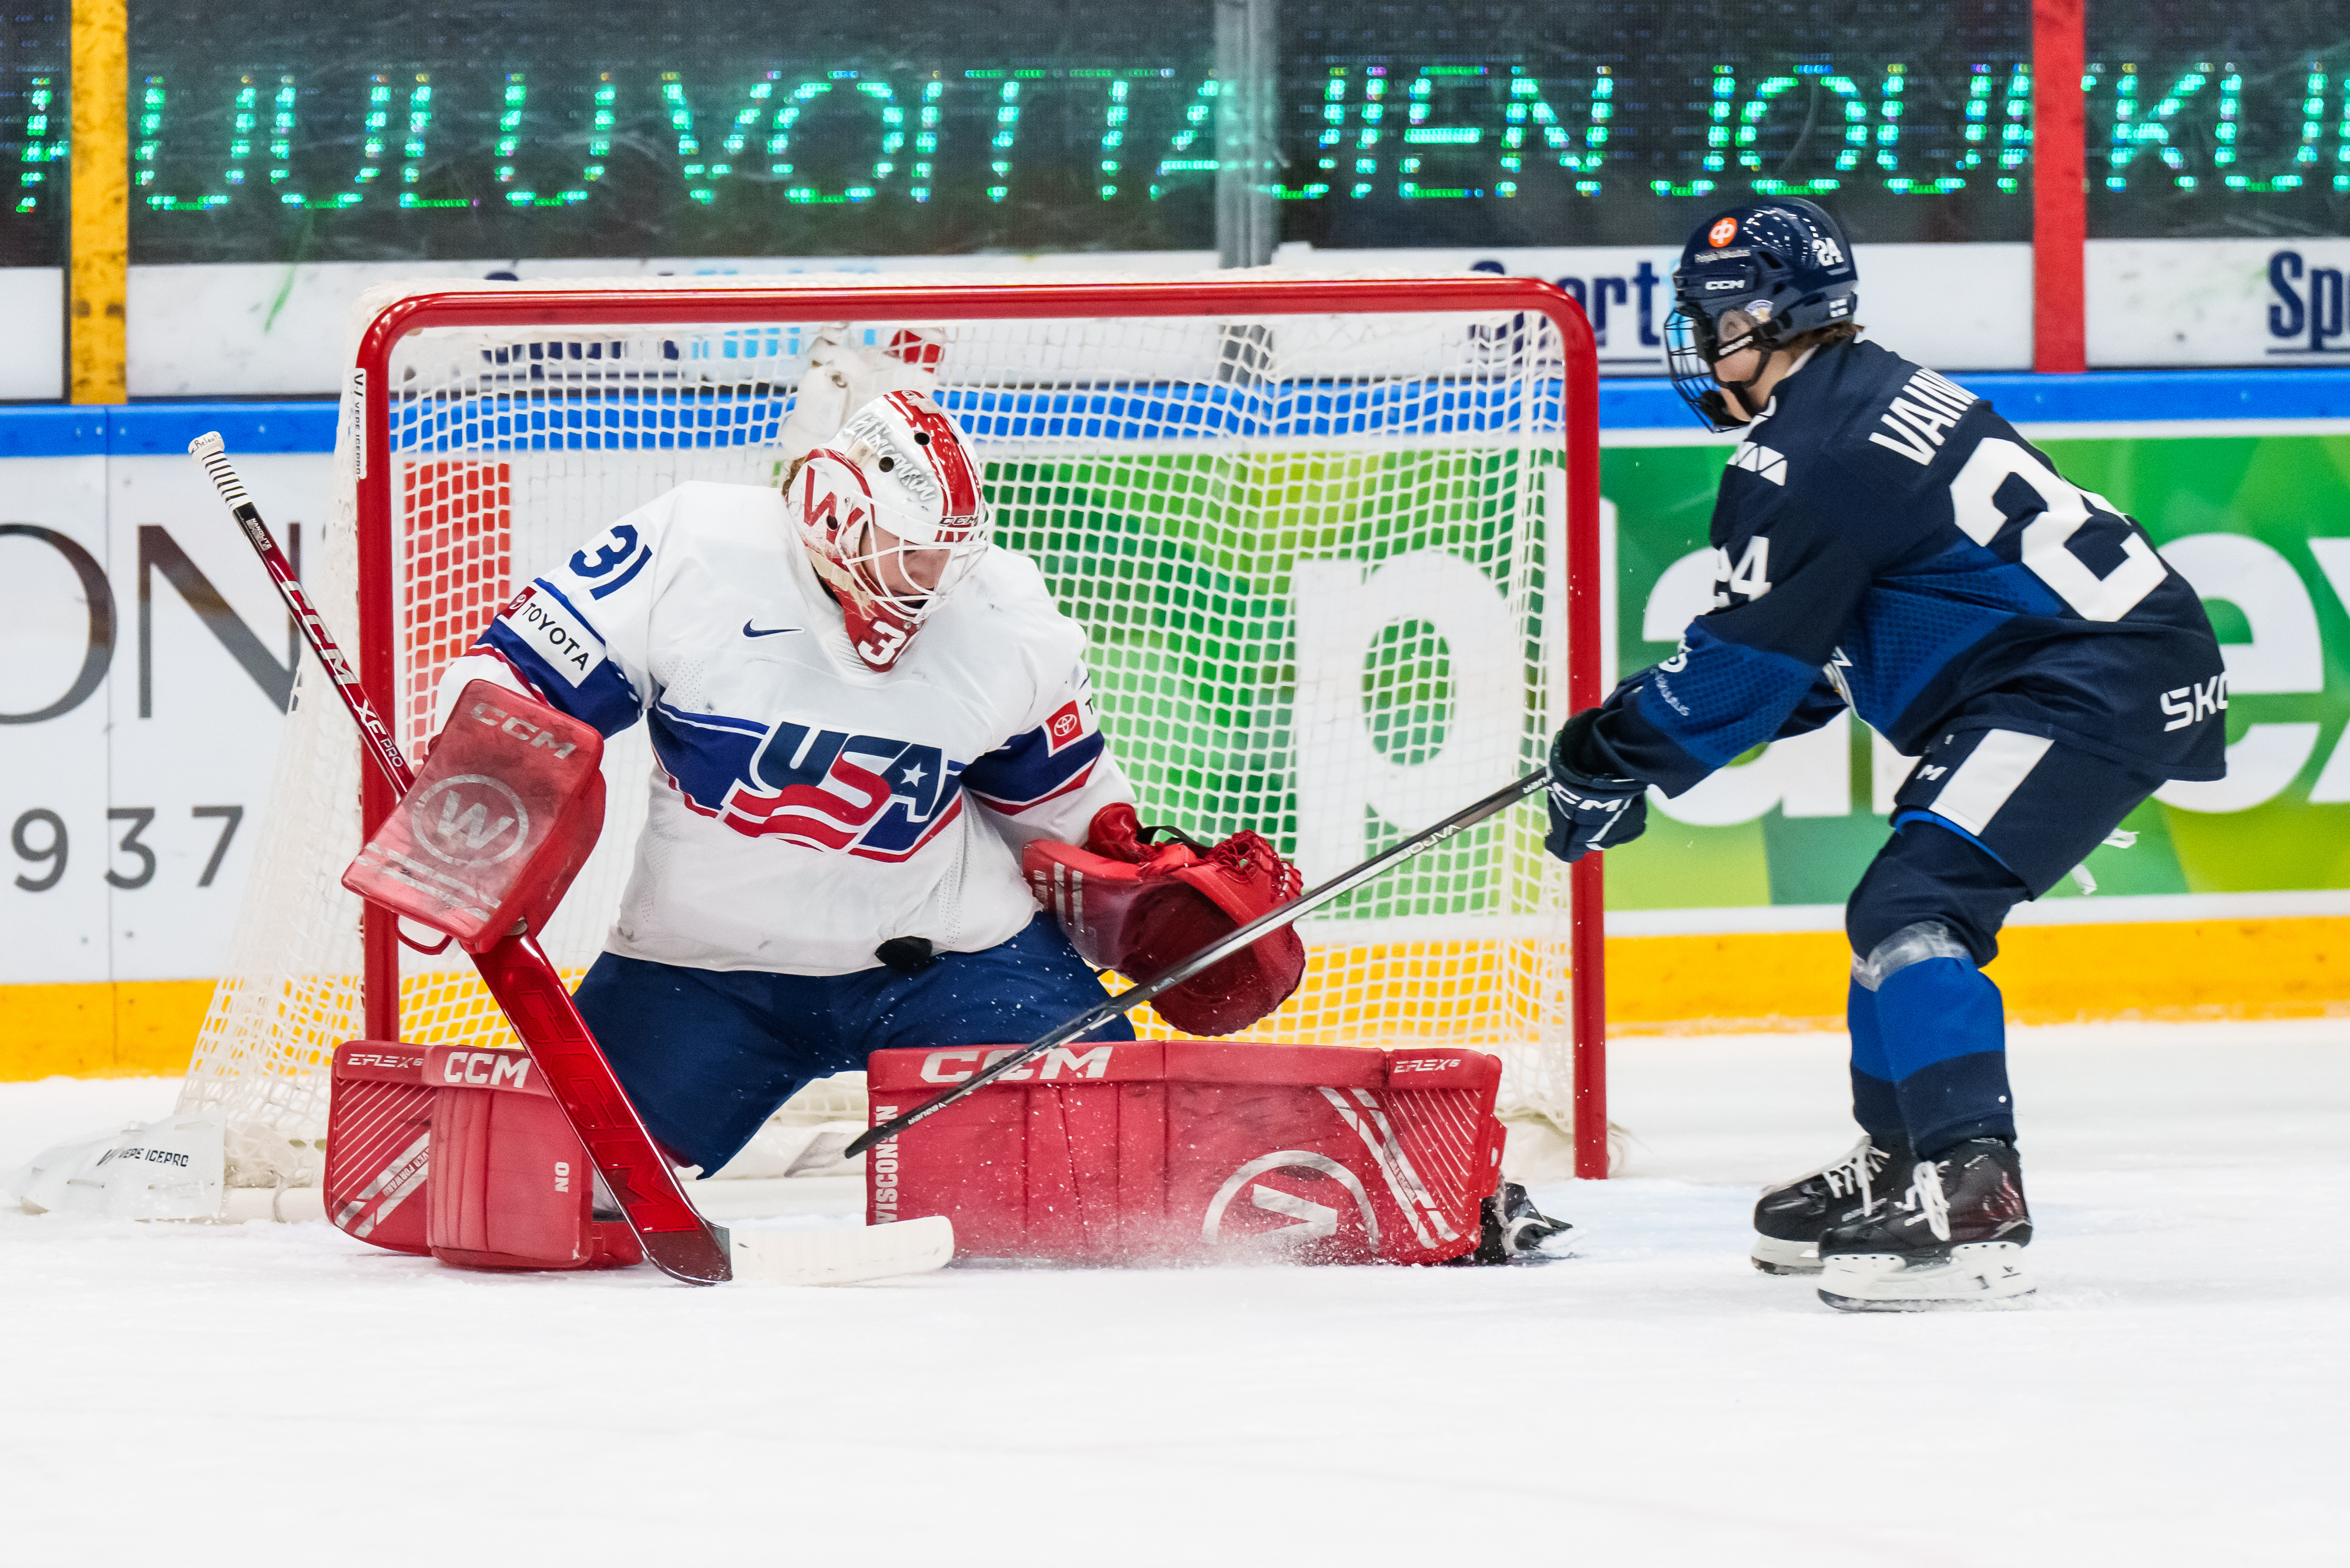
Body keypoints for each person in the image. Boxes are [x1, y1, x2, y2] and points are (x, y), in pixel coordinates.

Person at [1542, 200, 2225, 1310]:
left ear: (1762, 319)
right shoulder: (1870, 393)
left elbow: (1744, 674)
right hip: (2082, 666)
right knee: (1897, 908)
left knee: (1915, 909)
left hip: (2082, 682)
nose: (1702, 346)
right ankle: (1906, 1158)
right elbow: (1815, 663)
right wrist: (1638, 743)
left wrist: (1607, 751)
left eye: (1711, 321)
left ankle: (1972, 1195)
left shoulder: (1800, 452)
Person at [427, 329, 1251, 1178]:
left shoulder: (1006, 618)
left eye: (950, 557)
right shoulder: (693, 549)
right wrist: (479, 777)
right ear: (834, 512)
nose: (937, 582)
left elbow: (1062, 811)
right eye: (916, 553)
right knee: (544, 1189)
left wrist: (1147, 891)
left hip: (954, 962)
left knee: (1128, 1180)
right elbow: (516, 677)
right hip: (705, 970)